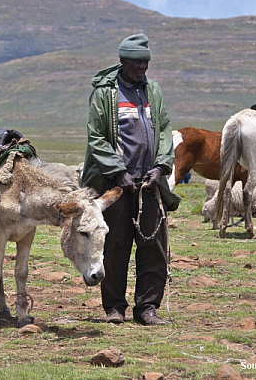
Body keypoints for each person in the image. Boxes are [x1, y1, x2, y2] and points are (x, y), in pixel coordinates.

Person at [81, 33, 181, 326]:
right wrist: (117, 170)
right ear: (123, 61)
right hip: (117, 185)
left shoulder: (154, 91)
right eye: (137, 63)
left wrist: (161, 166)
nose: (142, 68)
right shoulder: (105, 94)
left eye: (146, 63)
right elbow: (97, 137)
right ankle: (114, 308)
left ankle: (147, 308)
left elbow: (163, 129)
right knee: (115, 247)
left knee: (154, 247)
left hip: (148, 183)